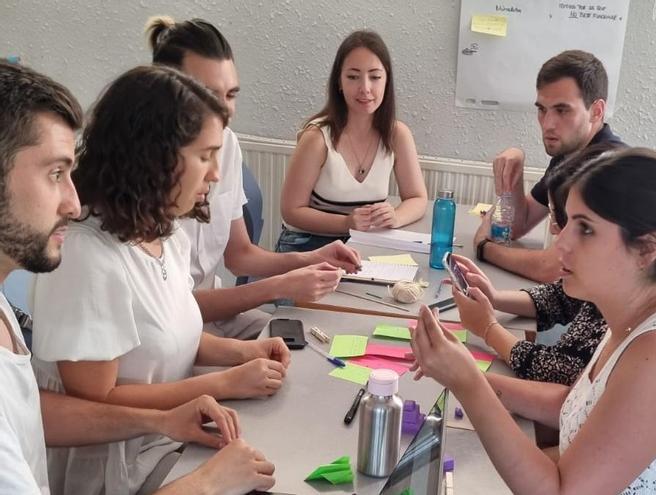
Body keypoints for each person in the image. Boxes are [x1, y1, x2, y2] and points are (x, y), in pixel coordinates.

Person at [0, 61, 274, 495]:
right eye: (204, 156)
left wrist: (236, 357)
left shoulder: (165, 232)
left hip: (157, 440)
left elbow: (164, 331)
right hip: (114, 464)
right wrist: (208, 476)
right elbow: (89, 399)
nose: (73, 203)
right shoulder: (86, 253)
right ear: (156, 157)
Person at [411, 148, 656, 494]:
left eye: (585, 229)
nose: (562, 243)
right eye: (568, 222)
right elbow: (573, 406)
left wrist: (469, 383)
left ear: (647, 249)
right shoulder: (633, 316)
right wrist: (461, 370)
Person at [145, 16, 361, 339]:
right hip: (179, 330)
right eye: (206, 93)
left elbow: (239, 254)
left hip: (213, 318)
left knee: (316, 344)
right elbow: (173, 312)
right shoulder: (140, 177)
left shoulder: (228, 144)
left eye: (230, 95)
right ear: (164, 92)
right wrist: (277, 287)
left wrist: (311, 258)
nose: (223, 111)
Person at [475, 50, 625, 283]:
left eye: (562, 110)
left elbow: (554, 268)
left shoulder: (608, 168)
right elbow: (518, 226)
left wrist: (484, 248)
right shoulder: (569, 153)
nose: (548, 124)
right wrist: (516, 167)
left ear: (596, 111)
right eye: (542, 109)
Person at [277, 29, 427, 253]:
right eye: (353, 77)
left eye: (375, 77)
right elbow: (291, 210)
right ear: (339, 82)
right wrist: (346, 223)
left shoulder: (397, 134)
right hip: (308, 244)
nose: (365, 88)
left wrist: (395, 216)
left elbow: (417, 198)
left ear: (387, 81)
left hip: (364, 245)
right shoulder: (316, 138)